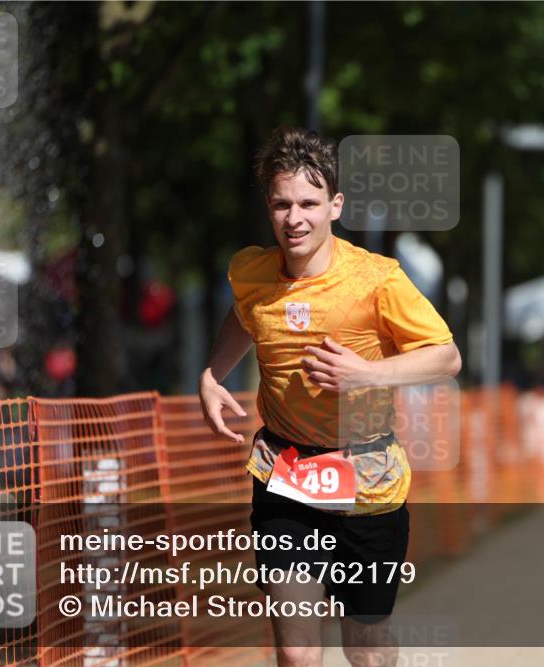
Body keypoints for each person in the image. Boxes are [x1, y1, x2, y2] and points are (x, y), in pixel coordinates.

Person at [198, 127, 461, 667]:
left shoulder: (377, 280)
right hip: (286, 475)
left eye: (309, 204)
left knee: (364, 649)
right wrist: (212, 373)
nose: (294, 218)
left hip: (369, 481)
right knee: (297, 652)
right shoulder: (251, 271)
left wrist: (367, 374)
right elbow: (246, 315)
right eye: (282, 204)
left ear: (335, 206)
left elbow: (446, 357)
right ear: (269, 207)